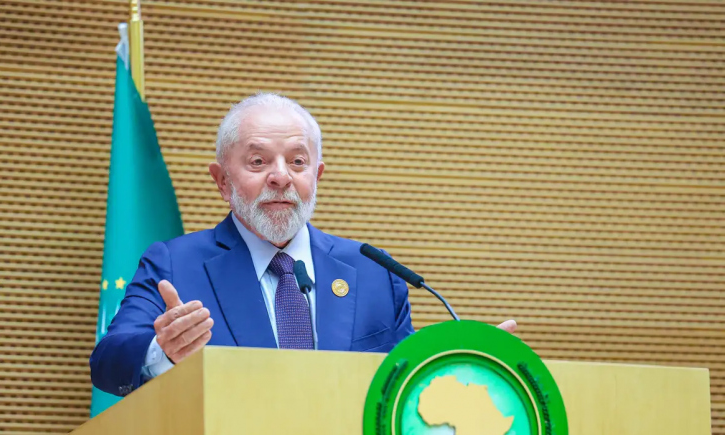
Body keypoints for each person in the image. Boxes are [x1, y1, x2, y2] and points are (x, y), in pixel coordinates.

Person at [89, 93, 516, 397]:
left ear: (317, 176)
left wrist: (457, 361)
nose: (281, 176)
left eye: (297, 161)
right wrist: (161, 352)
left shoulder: (374, 273)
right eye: (258, 162)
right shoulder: (175, 263)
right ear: (222, 181)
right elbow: (107, 363)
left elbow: (397, 384)